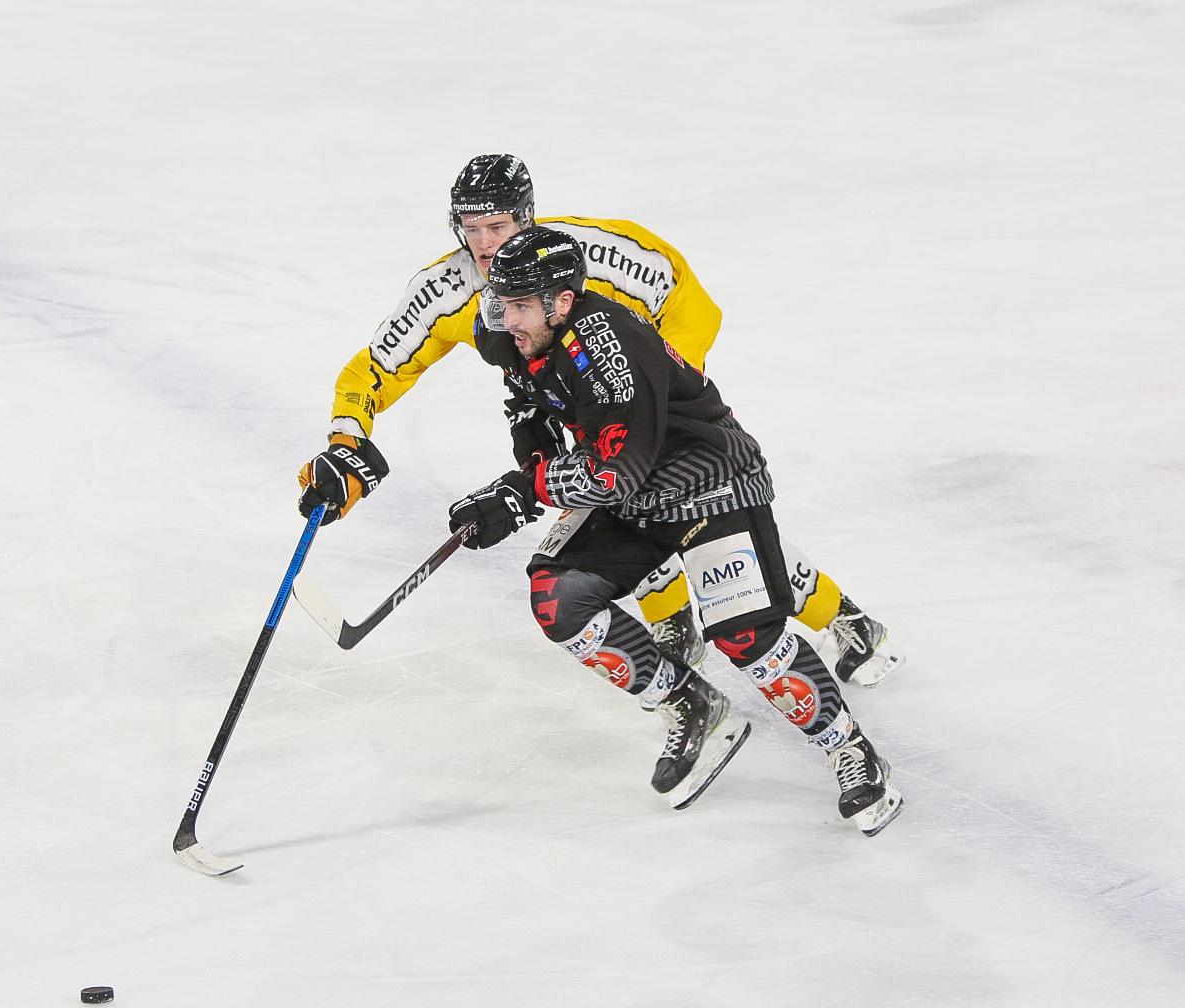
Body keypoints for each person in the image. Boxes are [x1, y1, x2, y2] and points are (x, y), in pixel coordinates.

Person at [297, 154, 901, 687]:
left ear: (528, 221)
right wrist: (346, 439)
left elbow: (692, 303)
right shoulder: (450, 287)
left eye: (499, 226)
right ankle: (678, 619)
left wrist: (646, 405)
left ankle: (832, 617)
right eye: (472, 228)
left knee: (685, 510)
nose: (484, 243)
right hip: (568, 388)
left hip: (645, 379)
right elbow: (375, 368)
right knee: (615, 502)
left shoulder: (599, 257)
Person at [443, 226, 902, 834]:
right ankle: (693, 705)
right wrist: (513, 485)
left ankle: (850, 749)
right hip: (637, 499)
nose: (507, 317)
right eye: (502, 303)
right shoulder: (522, 337)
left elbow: (614, 473)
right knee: (559, 599)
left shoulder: (609, 348)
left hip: (708, 484)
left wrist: (527, 492)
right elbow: (545, 428)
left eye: (521, 305)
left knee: (747, 638)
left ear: (560, 302)